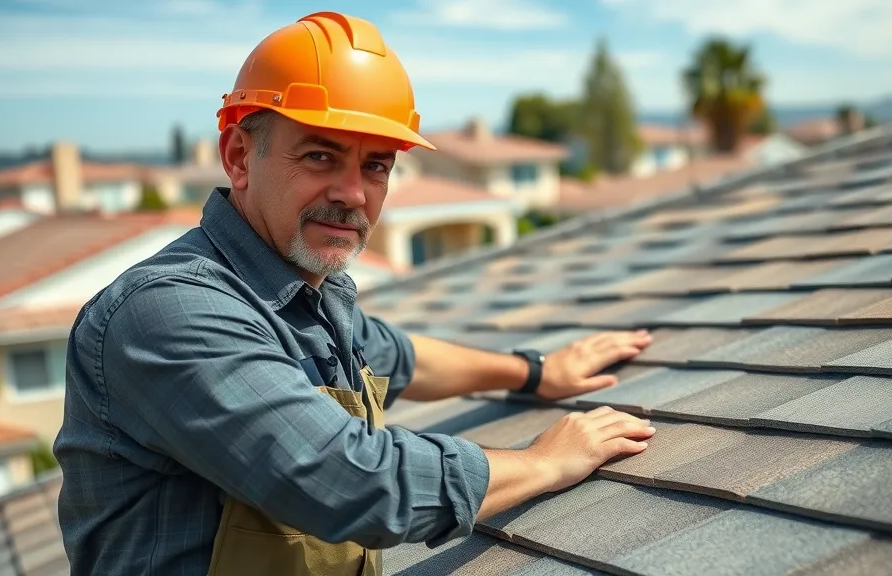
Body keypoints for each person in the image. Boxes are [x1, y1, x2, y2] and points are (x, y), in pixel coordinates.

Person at [53, 11, 656, 576]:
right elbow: (352, 483)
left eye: (377, 166)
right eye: (321, 155)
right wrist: (543, 462)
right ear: (240, 157)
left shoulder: (300, 294)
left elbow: (400, 356)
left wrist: (536, 372)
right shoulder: (169, 311)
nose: (353, 193)